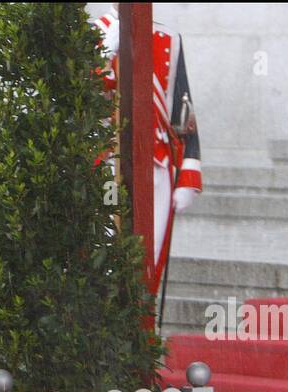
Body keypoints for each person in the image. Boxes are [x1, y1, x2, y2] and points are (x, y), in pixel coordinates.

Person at [91, 4, 202, 291]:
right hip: (107, 162)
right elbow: (86, 101)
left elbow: (183, 111)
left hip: (158, 162)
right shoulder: (95, 33)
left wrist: (188, 176)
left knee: (147, 256)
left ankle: (142, 331)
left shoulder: (169, 38)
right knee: (106, 253)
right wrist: (104, 54)